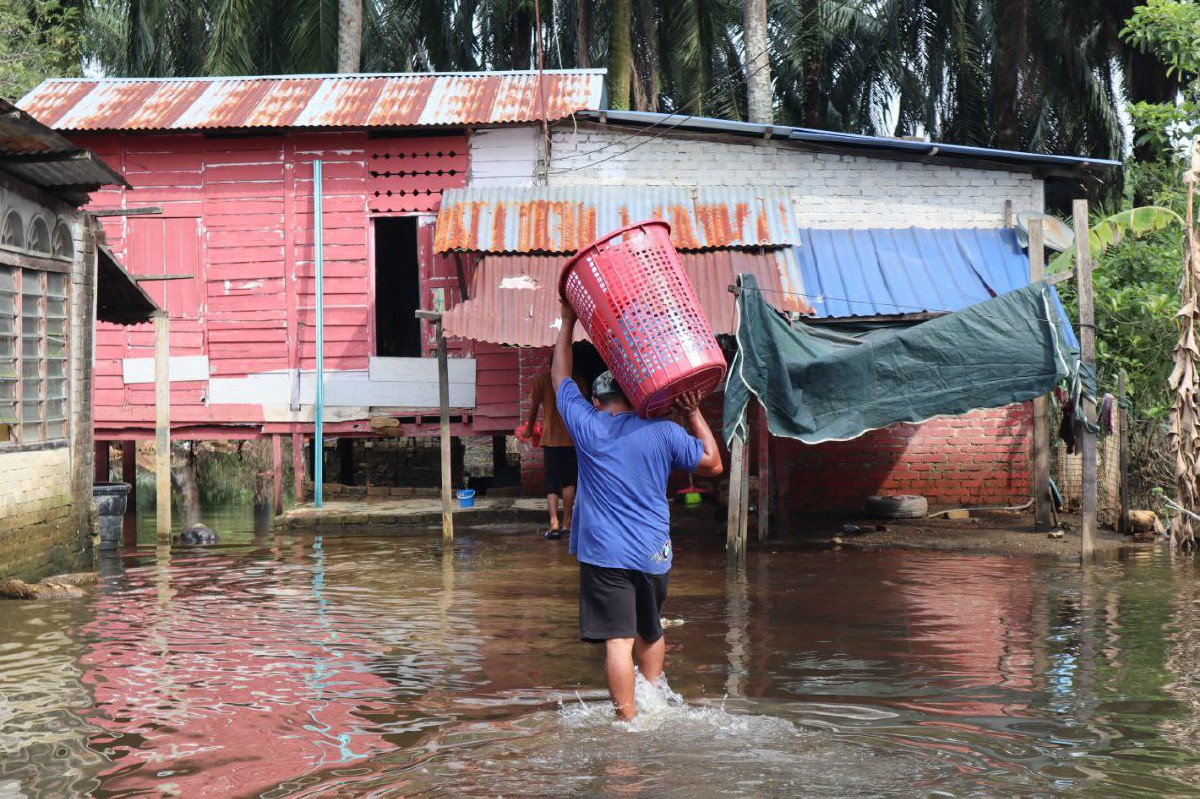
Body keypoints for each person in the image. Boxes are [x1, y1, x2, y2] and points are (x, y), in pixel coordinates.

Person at [552, 300, 723, 720]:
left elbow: (559, 375)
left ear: (597, 399)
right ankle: (653, 701)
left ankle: (628, 721)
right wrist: (694, 412)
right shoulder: (665, 431)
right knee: (650, 627)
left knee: (617, 639)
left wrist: (569, 321)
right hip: (653, 551)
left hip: (606, 552)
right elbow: (714, 464)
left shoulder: (588, 426)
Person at [524, 371, 578, 538]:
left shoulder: (543, 379)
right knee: (569, 481)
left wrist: (528, 429)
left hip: (550, 440)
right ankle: (567, 523)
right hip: (571, 439)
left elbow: (533, 408)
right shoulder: (575, 379)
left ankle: (554, 523)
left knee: (551, 482)